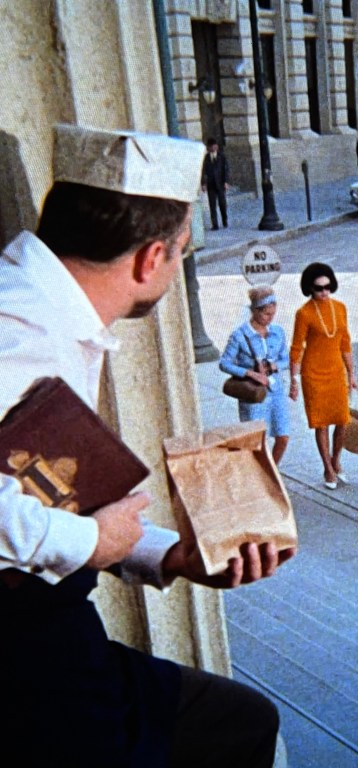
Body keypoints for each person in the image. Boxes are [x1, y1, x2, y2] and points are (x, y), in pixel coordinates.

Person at [1, 125, 293, 767]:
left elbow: (46, 499)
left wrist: (174, 557)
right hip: (24, 662)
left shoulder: (48, 312)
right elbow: (68, 531)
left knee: (243, 722)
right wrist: (91, 542)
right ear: (149, 258)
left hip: (50, 637)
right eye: (182, 252)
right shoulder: (16, 329)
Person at [290, 263, 357, 490]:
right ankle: (327, 467)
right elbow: (297, 347)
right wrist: (294, 379)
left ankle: (336, 460)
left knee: (342, 419)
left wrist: (351, 373)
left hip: (336, 371)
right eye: (319, 288)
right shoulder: (304, 313)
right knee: (321, 423)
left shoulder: (340, 308)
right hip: (313, 374)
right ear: (310, 288)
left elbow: (345, 343)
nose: (324, 292)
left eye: (328, 287)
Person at [219, 286, 291, 464]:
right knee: (256, 440)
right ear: (255, 311)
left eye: (273, 313)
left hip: (276, 390)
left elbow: (286, 359)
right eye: (266, 314)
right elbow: (224, 363)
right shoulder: (240, 335)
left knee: (283, 437)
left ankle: (272, 469)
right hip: (254, 393)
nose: (270, 318)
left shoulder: (277, 332)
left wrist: (274, 365)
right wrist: (250, 373)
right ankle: (258, 471)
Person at [201, 137, 229, 230]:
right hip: (211, 184)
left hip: (220, 183)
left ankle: (224, 220)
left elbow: (225, 170)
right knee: (212, 205)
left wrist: (226, 181)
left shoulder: (222, 156)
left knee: (222, 203)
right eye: (211, 146)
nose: (213, 148)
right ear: (208, 148)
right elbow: (203, 171)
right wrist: (203, 183)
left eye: (214, 146)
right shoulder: (206, 158)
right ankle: (215, 224)